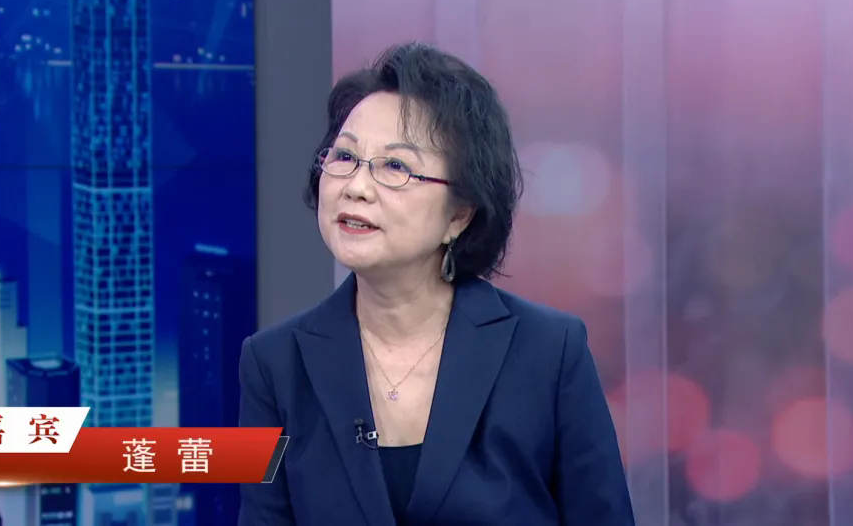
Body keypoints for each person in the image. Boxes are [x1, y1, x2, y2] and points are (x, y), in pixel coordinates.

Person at [239, 42, 634, 526]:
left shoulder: (548, 353)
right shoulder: (274, 365)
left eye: (395, 167)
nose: (355, 187)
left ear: (460, 214)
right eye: (344, 156)